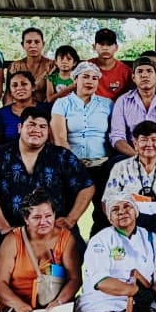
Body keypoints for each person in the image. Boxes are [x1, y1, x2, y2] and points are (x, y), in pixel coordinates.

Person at [0, 109, 95, 272]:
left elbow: (87, 186)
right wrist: (5, 228)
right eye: (31, 125)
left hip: (55, 228)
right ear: (20, 128)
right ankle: (11, 297)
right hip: (12, 227)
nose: (37, 130)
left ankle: (59, 297)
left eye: (42, 126)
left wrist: (71, 219)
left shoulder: (62, 156)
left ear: (48, 131)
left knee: (75, 251)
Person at [49, 61, 111, 232]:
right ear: (75, 79)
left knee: (104, 211)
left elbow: (113, 136)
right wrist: (75, 164)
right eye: (85, 77)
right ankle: (70, 244)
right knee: (67, 209)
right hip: (71, 164)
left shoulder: (107, 104)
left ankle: (98, 247)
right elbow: (60, 138)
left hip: (101, 164)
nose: (90, 81)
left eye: (94, 78)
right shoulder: (62, 104)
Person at [103, 120, 156, 248]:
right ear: (135, 144)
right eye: (144, 140)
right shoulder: (121, 167)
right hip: (129, 222)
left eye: (154, 140)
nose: (149, 144)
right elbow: (107, 200)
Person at [109, 55, 156, 160]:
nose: (144, 75)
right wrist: (138, 158)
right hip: (133, 156)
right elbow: (117, 136)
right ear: (133, 78)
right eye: (140, 71)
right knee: (114, 163)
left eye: (149, 71)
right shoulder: (122, 101)